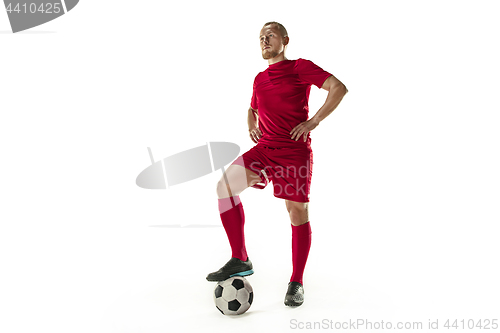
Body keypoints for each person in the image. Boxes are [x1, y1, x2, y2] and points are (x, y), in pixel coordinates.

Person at [206, 21, 348, 307]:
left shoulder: (299, 68)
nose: (264, 40)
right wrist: (250, 121)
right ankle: (240, 257)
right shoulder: (259, 78)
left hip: (294, 152)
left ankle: (296, 281)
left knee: (297, 213)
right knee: (224, 187)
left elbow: (338, 88)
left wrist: (314, 121)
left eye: (270, 35)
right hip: (265, 149)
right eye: (260, 37)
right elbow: (253, 106)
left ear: (285, 39)